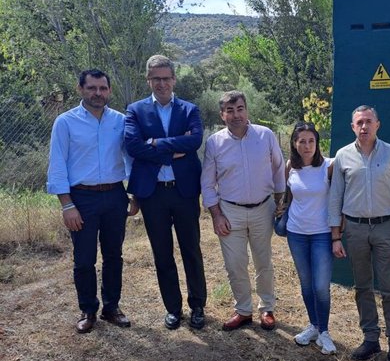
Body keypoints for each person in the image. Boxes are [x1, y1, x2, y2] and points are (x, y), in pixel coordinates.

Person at [47, 69, 138, 333]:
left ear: (109, 90)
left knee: (114, 255)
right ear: (80, 89)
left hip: (114, 195)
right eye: (92, 88)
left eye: (102, 88)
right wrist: (67, 204)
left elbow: (130, 158)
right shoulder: (65, 122)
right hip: (81, 198)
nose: (98, 93)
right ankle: (88, 309)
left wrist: (133, 193)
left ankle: (112, 308)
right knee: (84, 259)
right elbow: (57, 164)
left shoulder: (120, 121)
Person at [125, 55, 207, 331]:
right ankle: (173, 308)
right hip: (153, 195)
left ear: (174, 79)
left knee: (191, 251)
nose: (161, 83)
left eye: (166, 78)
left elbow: (194, 140)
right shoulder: (135, 110)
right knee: (162, 253)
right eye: (156, 78)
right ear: (148, 80)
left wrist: (156, 144)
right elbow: (133, 146)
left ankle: (198, 306)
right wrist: (174, 151)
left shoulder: (189, 109)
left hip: (184, 193)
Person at [328, 105, 390, 361]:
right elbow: (335, 197)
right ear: (352, 127)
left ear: (378, 124)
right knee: (362, 286)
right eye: (359, 122)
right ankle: (371, 339)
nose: (364, 127)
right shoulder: (342, 156)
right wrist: (336, 236)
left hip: (386, 227)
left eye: (369, 122)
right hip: (355, 228)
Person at [201, 90, 285, 331]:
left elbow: (279, 168)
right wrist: (216, 215)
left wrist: (280, 200)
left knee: (263, 262)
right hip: (230, 212)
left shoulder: (265, 136)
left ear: (246, 110)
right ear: (222, 115)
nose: (236, 115)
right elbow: (207, 182)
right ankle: (243, 310)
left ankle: (267, 307)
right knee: (235, 264)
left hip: (263, 208)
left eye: (239, 109)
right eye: (230, 110)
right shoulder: (215, 143)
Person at [284, 121, 336, 354]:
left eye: (311, 141)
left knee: (321, 285)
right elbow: (287, 197)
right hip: (296, 233)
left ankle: (324, 331)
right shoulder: (289, 167)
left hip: (322, 234)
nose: (307, 146)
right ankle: (313, 326)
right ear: (295, 145)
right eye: (301, 141)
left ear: (317, 142)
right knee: (306, 284)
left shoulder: (329, 166)